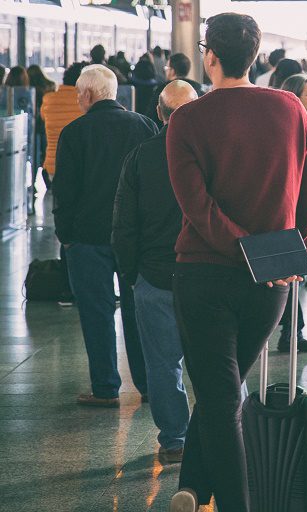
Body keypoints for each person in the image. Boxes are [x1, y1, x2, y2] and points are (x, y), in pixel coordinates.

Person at [165, 14, 307, 512]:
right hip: (269, 284)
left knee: (220, 399)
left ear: (209, 57)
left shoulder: (186, 120)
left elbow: (198, 209)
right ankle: (193, 485)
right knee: (223, 390)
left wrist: (249, 250)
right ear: (254, 57)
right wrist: (285, 252)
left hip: (204, 276)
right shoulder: (291, 110)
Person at [51, 64, 157, 408]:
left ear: (88, 94)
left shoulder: (75, 132)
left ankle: (105, 387)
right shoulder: (144, 126)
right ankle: (147, 386)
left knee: (96, 314)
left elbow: (64, 191)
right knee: (138, 313)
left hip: (87, 238)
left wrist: (65, 236)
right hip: (136, 239)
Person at [111, 81, 199, 465]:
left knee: (163, 365)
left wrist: (132, 275)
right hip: (207, 275)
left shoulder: (140, 156)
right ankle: (226, 433)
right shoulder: (212, 155)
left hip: (156, 277)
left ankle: (175, 439)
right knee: (220, 362)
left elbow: (124, 225)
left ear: (159, 114)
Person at [275, 73, 307, 353]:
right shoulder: (294, 128)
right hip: (292, 219)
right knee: (290, 279)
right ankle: (292, 334)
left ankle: (293, 332)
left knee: (293, 280)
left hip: (294, 218)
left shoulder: (300, 125)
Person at [41, 62, 88, 182]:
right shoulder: (88, 101)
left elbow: (43, 118)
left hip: (53, 165)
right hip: (81, 166)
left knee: (58, 199)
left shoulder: (48, 99)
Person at [146, 53, 205, 126]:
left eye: (166, 68)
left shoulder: (162, 91)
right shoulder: (199, 91)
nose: (165, 71)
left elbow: (150, 119)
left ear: (172, 71)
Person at [27, 65, 56, 187]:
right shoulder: (49, 86)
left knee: (33, 154)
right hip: (45, 124)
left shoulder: (27, 89)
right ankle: (47, 180)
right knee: (45, 153)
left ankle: (33, 181)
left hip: (31, 125)